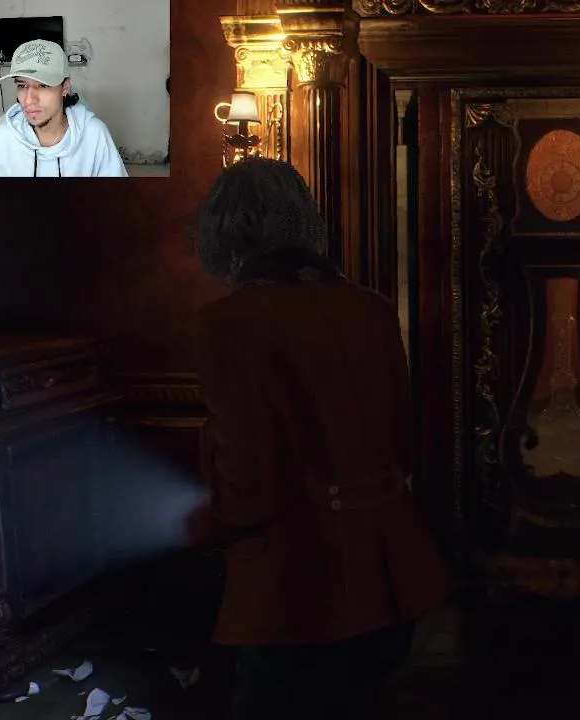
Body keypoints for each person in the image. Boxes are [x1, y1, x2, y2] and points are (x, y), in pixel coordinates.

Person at [184, 157, 452, 719]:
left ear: (221, 235)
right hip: (389, 581)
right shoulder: (372, 309)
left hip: (297, 599)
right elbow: (402, 449)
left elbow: (246, 487)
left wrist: (201, 529)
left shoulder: (227, 324)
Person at [0, 39, 127, 177]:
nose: (29, 99)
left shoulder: (93, 135)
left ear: (65, 87)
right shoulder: (4, 137)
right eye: (22, 85)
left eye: (43, 85)